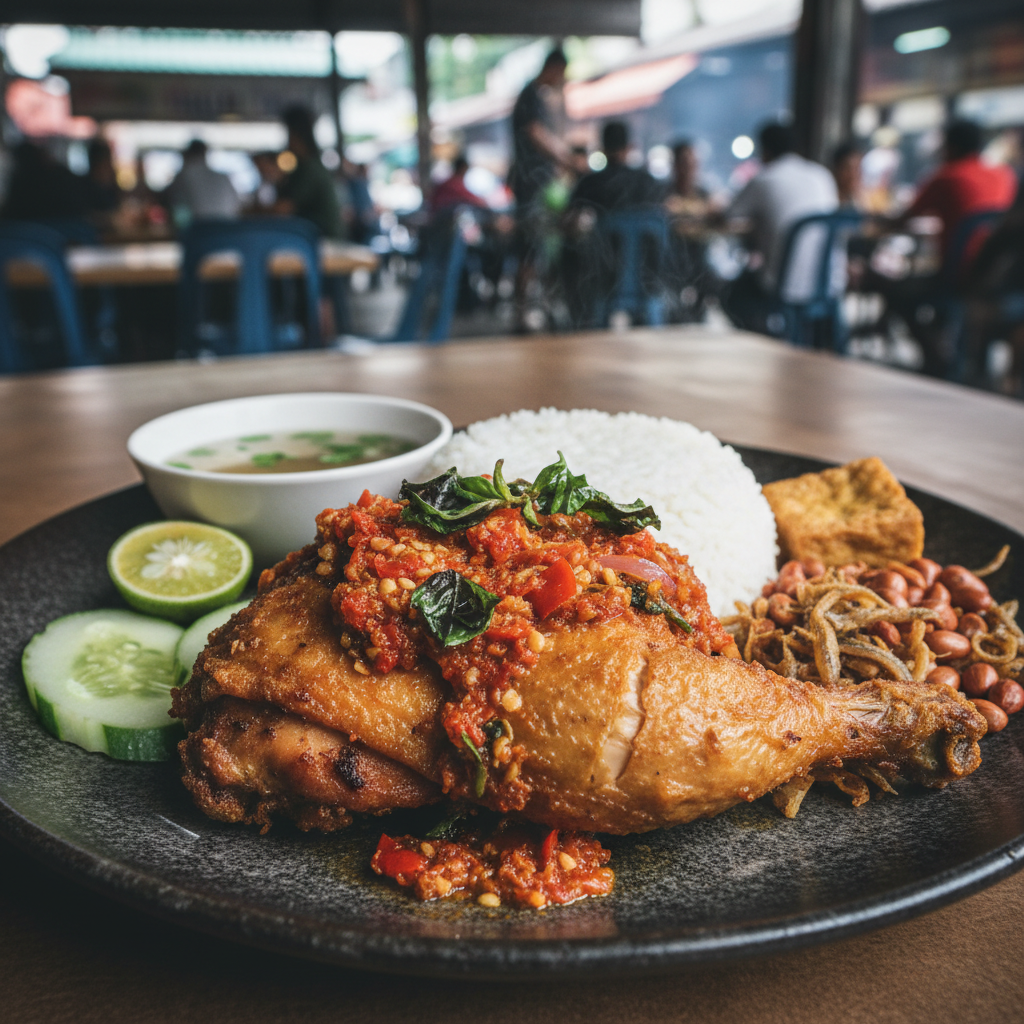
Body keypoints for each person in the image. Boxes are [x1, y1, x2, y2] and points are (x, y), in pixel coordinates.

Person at [720, 122, 839, 336]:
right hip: (828, 284)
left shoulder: (764, 179)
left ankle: (766, 343)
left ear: (765, 150)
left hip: (782, 286)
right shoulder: (822, 175)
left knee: (731, 296)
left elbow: (728, 215)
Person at [508, 47, 572, 330]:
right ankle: (521, 314)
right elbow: (537, 134)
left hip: (537, 185)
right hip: (530, 186)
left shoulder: (535, 97)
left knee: (538, 248)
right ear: (555, 68)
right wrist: (565, 158)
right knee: (530, 250)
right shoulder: (531, 96)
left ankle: (537, 309)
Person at [273, 106, 344, 239]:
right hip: (317, 239)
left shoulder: (309, 168)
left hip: (325, 242)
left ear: (295, 134)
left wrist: (252, 210)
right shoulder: (307, 165)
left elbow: (283, 209)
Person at [165, 140, 240, 224]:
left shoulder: (184, 175)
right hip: (225, 229)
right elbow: (236, 204)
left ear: (186, 155)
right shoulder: (223, 177)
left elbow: (165, 199)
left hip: (199, 230)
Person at [831, 141, 864, 210]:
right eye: (848, 168)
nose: (853, 174)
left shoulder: (857, 202)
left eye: (857, 169)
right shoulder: (827, 199)